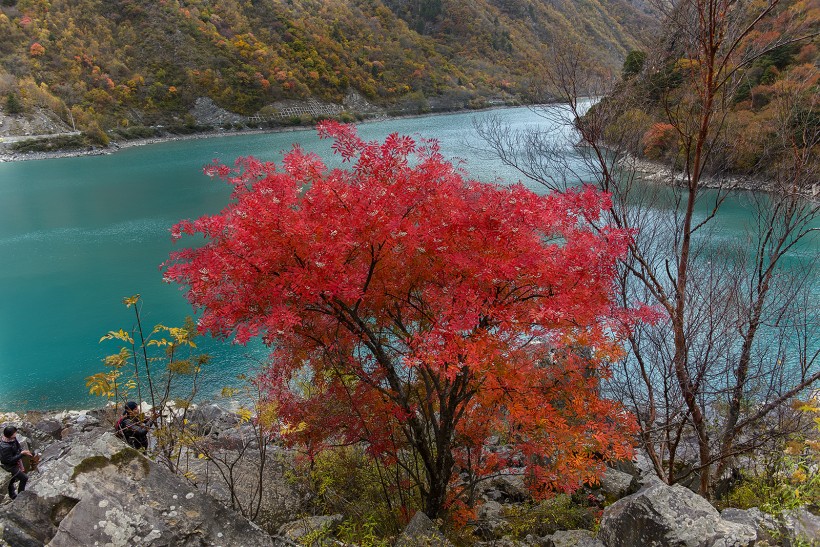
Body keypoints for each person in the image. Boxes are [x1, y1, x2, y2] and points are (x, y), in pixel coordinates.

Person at [0, 425, 32, 500]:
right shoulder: (5, 447)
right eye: (14, 433)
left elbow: (18, 446)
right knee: (24, 478)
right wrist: (22, 454)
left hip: (15, 462)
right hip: (9, 466)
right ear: (10, 435)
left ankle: (13, 495)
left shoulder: (13, 439)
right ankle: (20, 496)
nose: (16, 434)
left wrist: (22, 451)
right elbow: (8, 460)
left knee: (12, 480)